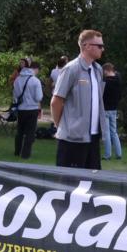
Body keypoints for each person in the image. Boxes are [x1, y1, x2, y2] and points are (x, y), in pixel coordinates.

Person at [51, 30, 108, 170]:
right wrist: (62, 127)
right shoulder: (71, 69)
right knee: (68, 185)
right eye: (99, 46)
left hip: (92, 138)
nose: (103, 49)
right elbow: (56, 101)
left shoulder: (98, 69)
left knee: (91, 185)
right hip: (72, 139)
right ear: (87, 46)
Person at [12, 58, 43, 159]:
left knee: (20, 131)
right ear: (35, 69)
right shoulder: (35, 81)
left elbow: (15, 95)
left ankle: (17, 151)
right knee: (30, 133)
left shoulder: (17, 79)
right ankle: (25, 154)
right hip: (32, 109)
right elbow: (38, 97)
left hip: (21, 109)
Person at [101, 63, 123, 161]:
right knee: (114, 132)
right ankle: (119, 153)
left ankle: (107, 155)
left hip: (105, 109)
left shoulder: (104, 82)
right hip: (114, 108)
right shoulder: (118, 80)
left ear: (105, 70)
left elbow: (100, 95)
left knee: (106, 133)